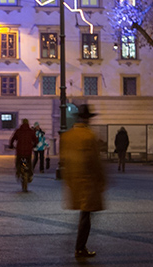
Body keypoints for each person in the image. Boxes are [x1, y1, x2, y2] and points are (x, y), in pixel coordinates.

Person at [61, 104, 105, 259]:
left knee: (84, 213)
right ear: (87, 119)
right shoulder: (89, 136)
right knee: (86, 215)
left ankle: (80, 246)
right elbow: (95, 161)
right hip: (87, 181)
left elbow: (64, 160)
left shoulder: (68, 135)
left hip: (74, 180)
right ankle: (80, 248)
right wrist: (101, 180)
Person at [9, 119, 38, 191]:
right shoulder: (31, 131)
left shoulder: (18, 131)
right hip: (28, 151)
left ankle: (18, 172)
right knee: (29, 163)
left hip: (20, 151)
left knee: (18, 162)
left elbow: (12, 139)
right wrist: (34, 145)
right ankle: (30, 175)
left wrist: (11, 145)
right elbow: (36, 140)